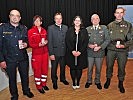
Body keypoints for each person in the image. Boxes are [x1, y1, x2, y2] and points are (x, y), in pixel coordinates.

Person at [0, 9, 34, 100]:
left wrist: (26, 44)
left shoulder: (24, 28)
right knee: (12, 79)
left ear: (20, 18)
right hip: (9, 59)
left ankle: (26, 91)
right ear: (9, 16)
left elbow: (27, 41)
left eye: (17, 16)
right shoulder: (3, 28)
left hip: (22, 58)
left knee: (25, 76)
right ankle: (14, 95)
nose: (15, 17)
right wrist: (1, 60)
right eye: (13, 15)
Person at [104, 7, 133, 93]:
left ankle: (121, 83)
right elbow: (106, 38)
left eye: (121, 13)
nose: (119, 14)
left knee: (121, 67)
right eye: (117, 12)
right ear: (115, 14)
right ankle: (108, 80)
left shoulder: (128, 25)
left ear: (123, 14)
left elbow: (131, 39)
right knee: (109, 66)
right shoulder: (110, 25)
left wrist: (124, 45)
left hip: (122, 50)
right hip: (111, 49)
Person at [85, 14, 110, 90]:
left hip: (100, 53)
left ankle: (97, 81)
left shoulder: (104, 28)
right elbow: (84, 41)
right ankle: (89, 81)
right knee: (89, 69)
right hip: (90, 53)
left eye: (97, 18)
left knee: (98, 69)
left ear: (99, 20)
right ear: (91, 20)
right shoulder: (87, 29)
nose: (95, 20)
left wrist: (100, 47)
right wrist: (89, 45)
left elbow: (107, 40)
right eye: (93, 19)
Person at [65, 16, 88, 89]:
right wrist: (72, 50)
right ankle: (73, 82)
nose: (77, 22)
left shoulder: (84, 30)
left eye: (79, 20)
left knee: (79, 68)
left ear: (81, 22)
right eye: (76, 20)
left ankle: (77, 81)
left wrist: (80, 51)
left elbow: (86, 42)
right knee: (72, 68)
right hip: (71, 53)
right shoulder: (70, 30)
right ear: (74, 21)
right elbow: (67, 41)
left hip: (81, 53)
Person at [28, 15, 49, 94]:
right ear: (34, 22)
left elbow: (46, 40)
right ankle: (39, 86)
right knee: (37, 70)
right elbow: (30, 44)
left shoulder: (44, 30)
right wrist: (38, 45)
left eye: (39, 20)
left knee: (45, 69)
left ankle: (43, 84)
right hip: (36, 54)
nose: (37, 22)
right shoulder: (30, 31)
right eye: (35, 21)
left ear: (41, 22)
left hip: (45, 53)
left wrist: (46, 42)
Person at [48, 12, 69, 90]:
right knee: (54, 68)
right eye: (57, 18)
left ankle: (62, 79)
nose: (58, 20)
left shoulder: (66, 27)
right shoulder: (50, 28)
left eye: (60, 18)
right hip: (55, 53)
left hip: (64, 52)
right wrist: (51, 53)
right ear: (54, 19)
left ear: (62, 19)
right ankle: (54, 81)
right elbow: (49, 42)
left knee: (63, 67)